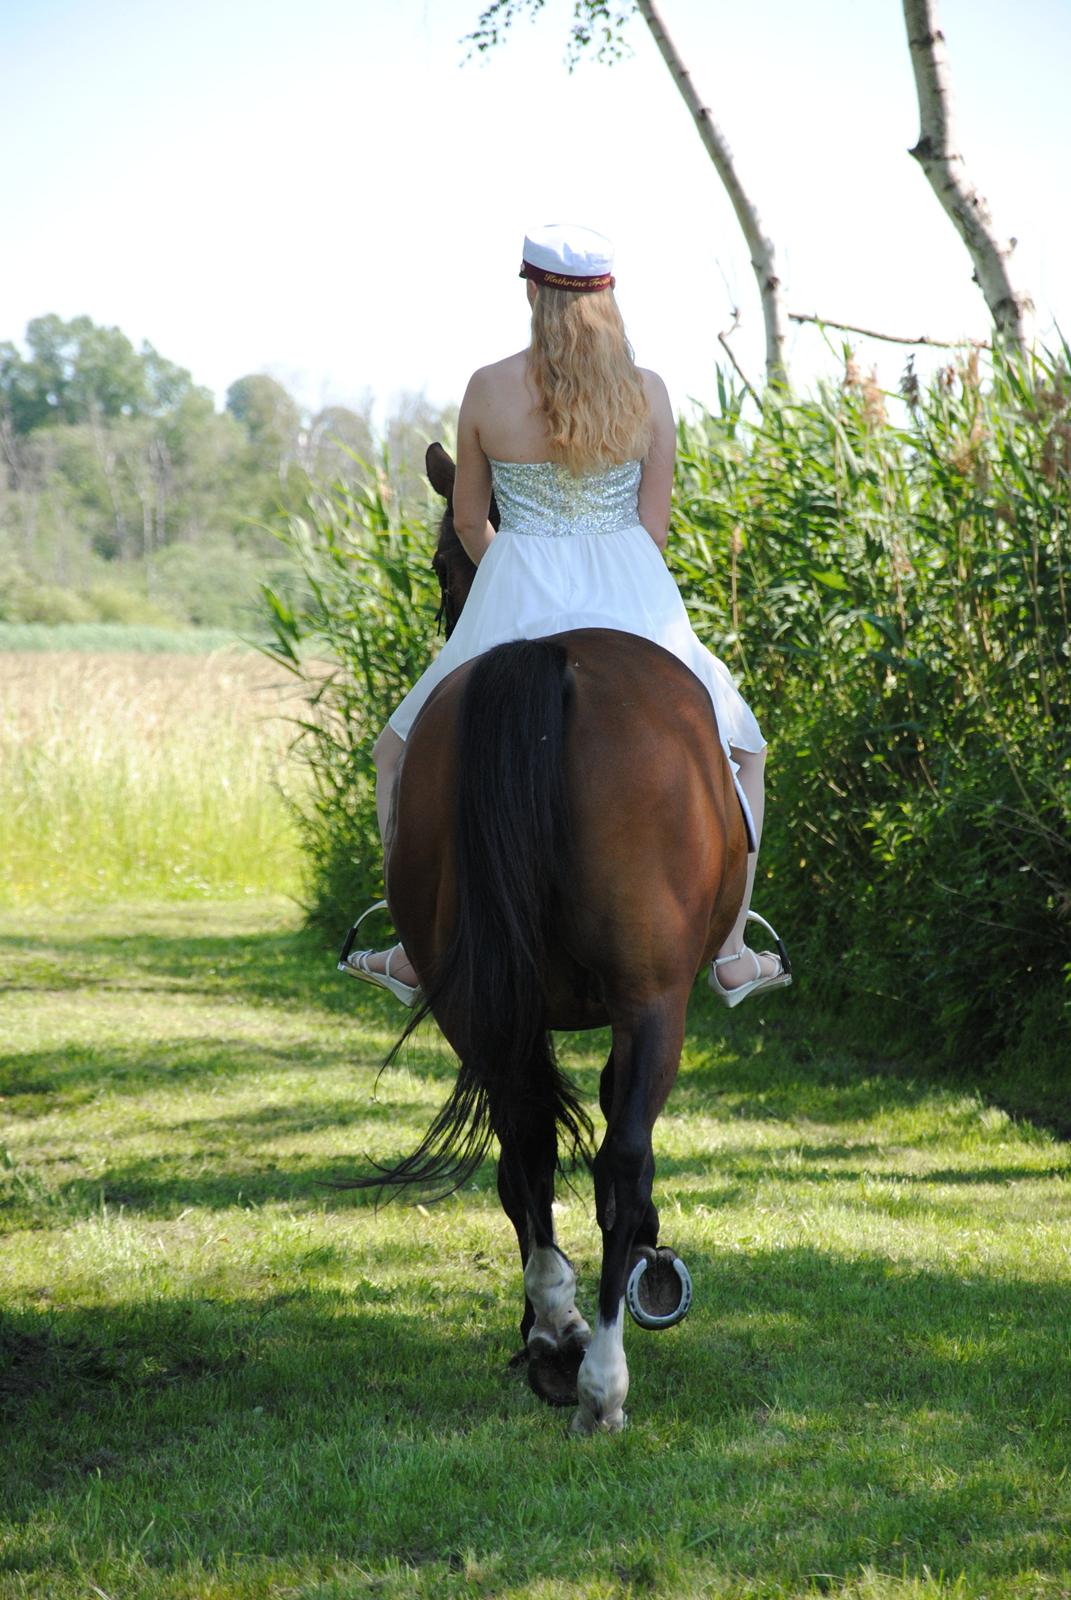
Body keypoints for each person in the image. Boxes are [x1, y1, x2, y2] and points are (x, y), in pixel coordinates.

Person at [342, 222, 791, 1010]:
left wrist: (517, 572)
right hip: (633, 591)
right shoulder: (646, 390)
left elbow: (472, 520)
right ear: (608, 296)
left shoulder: (487, 388)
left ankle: (412, 950)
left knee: (395, 752)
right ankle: (729, 948)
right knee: (741, 750)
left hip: (513, 585)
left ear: (530, 291)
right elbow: (653, 529)